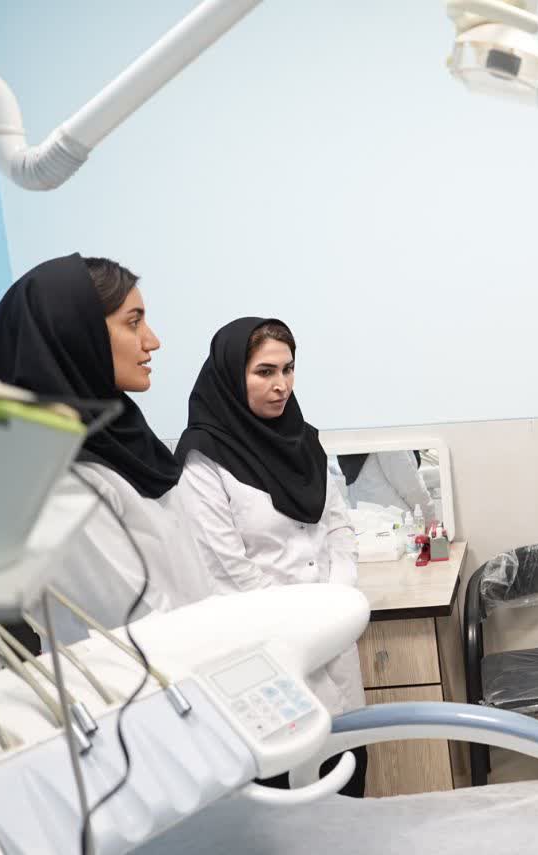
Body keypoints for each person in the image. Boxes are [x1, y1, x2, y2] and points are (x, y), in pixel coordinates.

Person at [174, 317, 368, 796]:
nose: (281, 385)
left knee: (350, 786)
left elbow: (338, 526)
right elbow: (225, 566)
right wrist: (307, 618)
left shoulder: (306, 441)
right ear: (231, 376)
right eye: (264, 372)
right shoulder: (203, 458)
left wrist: (337, 599)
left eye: (288, 369)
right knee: (290, 804)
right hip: (266, 656)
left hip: (333, 642)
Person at [0, 254, 212, 644]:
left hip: (203, 654)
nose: (152, 341)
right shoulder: (60, 480)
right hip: (153, 671)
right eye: (133, 323)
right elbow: (139, 625)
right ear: (73, 334)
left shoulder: (125, 441)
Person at [339, 451, 438, 524]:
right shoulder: (383, 433)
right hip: (398, 523)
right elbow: (408, 483)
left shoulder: (350, 442)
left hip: (369, 522)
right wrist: (430, 518)